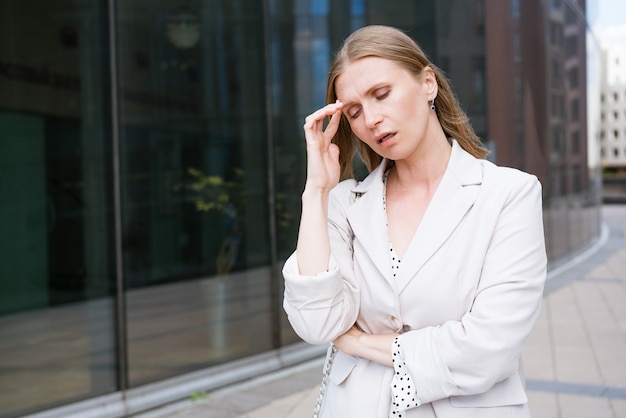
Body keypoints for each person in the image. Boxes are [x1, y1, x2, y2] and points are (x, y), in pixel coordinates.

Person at [282, 25, 547, 418]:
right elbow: (318, 324)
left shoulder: (509, 194)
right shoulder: (344, 204)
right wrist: (316, 191)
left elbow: (488, 349)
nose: (371, 118)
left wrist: (358, 343)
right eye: (354, 111)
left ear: (427, 84)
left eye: (382, 94)